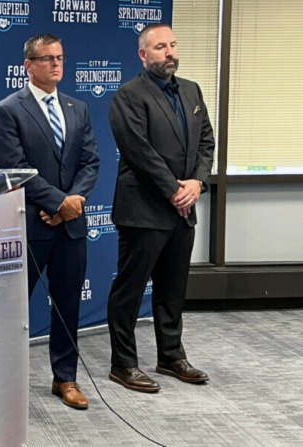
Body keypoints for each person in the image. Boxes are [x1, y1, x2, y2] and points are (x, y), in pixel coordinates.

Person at [0, 34, 100, 410]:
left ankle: (65, 378)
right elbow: (14, 167)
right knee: (14, 309)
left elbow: (90, 163)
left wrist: (71, 204)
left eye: (60, 57)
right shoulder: (7, 110)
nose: (56, 64)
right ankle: (3, 382)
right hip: (30, 226)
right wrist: (56, 202)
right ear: (28, 65)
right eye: (47, 58)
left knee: (68, 304)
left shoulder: (77, 108)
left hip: (70, 228)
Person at [107, 23, 214, 393]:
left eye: (172, 45)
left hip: (183, 209)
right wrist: (174, 190)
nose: (169, 52)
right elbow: (138, 151)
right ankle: (123, 364)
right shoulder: (128, 95)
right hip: (144, 210)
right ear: (143, 55)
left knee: (172, 289)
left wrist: (198, 183)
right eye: (159, 47)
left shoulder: (191, 90)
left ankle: (170, 355)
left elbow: (206, 141)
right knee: (130, 290)